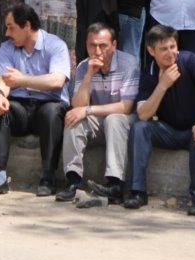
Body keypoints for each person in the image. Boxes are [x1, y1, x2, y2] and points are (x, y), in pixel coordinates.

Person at [125, 24, 195, 216]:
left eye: (173, 46)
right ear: (151, 51)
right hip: (169, 130)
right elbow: (143, 114)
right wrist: (162, 85)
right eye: (164, 49)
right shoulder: (149, 73)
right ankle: (137, 192)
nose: (170, 53)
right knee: (140, 128)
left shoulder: (188, 60)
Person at [0, 4, 70, 199]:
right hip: (20, 106)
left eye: (11, 27)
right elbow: (3, 79)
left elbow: (56, 81)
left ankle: (48, 176)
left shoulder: (55, 45)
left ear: (27, 26)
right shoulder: (7, 47)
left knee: (52, 112)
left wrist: (23, 80)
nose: (7, 33)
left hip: (48, 105)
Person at [56, 22, 139, 202]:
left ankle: (115, 184)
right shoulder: (83, 66)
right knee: (73, 118)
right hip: (100, 120)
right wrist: (88, 76)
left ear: (114, 45)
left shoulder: (128, 64)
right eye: (92, 45)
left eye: (103, 45)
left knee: (114, 119)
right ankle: (73, 180)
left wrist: (88, 110)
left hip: (125, 121)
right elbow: (78, 105)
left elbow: (125, 107)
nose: (97, 51)